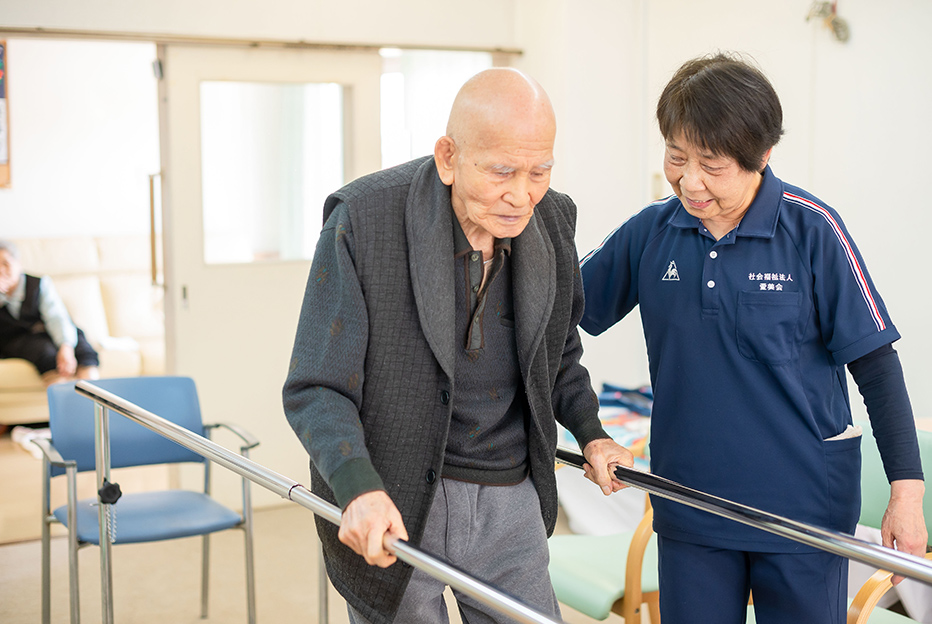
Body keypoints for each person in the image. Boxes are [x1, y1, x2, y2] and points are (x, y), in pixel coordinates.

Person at [580, 52, 927, 623]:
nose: (689, 182)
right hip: (692, 505)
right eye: (676, 157)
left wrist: (906, 495)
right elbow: (557, 305)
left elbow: (877, 368)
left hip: (802, 512)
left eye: (711, 166)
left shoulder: (813, 229)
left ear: (762, 156)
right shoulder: (653, 230)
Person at [0, 239, 100, 385]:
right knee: (46, 353)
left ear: (18, 264)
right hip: (17, 338)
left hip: (47, 330)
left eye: (6, 264)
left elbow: (56, 317)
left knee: (81, 346)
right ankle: (63, 399)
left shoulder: (39, 284)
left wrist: (65, 346)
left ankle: (92, 397)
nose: (1, 270)